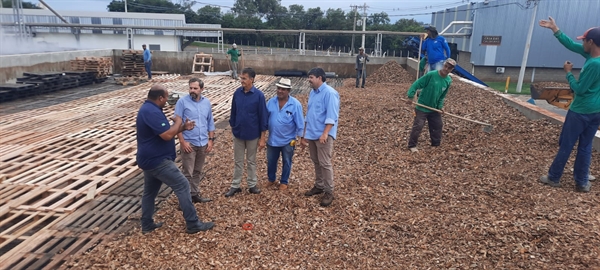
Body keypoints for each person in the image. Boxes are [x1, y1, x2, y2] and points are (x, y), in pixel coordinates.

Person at [136, 84, 214, 234]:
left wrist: (183, 127)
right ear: (160, 98)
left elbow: (165, 131)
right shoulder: (151, 111)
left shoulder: (150, 109)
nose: (167, 100)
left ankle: (147, 224)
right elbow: (167, 135)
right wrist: (179, 121)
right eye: (165, 97)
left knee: (150, 192)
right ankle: (192, 223)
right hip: (157, 161)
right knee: (183, 185)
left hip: (149, 159)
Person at [538, 17, 600, 193]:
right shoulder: (594, 55)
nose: (581, 45)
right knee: (586, 146)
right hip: (596, 111)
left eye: (584, 41)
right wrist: (555, 30)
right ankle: (581, 181)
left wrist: (568, 74)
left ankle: (554, 177)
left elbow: (579, 89)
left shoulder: (594, 64)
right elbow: (572, 45)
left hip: (581, 111)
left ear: (591, 42)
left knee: (567, 144)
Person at [300, 67, 340, 207]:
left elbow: (332, 115)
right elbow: (309, 114)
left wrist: (325, 133)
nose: (309, 80)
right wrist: (304, 134)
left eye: (311, 77)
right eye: (309, 77)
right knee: (316, 161)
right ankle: (319, 185)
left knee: (325, 163)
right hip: (312, 133)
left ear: (320, 78)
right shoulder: (312, 93)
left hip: (323, 135)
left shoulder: (330, 93)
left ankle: (329, 191)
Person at [226, 67, 268, 197]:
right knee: (238, 161)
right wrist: (233, 126)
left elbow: (263, 117)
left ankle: (252, 184)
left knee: (251, 161)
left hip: (252, 134)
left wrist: (262, 138)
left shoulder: (259, 96)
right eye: (241, 78)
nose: (241, 81)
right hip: (238, 133)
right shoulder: (237, 93)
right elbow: (233, 111)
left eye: (244, 78)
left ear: (252, 79)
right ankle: (235, 185)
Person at [174, 78, 216, 203]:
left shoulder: (206, 102)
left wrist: (210, 140)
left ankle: (194, 194)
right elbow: (177, 123)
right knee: (187, 173)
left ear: (202, 89)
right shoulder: (182, 102)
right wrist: (182, 141)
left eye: (195, 88)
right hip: (189, 143)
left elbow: (210, 122)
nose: (192, 90)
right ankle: (184, 200)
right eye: (190, 88)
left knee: (197, 171)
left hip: (202, 142)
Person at [406, 58, 456, 152]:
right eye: (446, 66)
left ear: (451, 70)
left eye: (449, 68)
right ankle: (412, 145)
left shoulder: (448, 81)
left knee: (438, 125)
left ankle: (435, 145)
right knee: (418, 125)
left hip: (434, 108)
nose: (446, 69)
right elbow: (417, 84)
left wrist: (440, 107)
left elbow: (442, 96)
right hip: (422, 106)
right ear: (443, 65)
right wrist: (410, 96)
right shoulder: (431, 75)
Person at [265, 78, 304, 191]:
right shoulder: (271, 102)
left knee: (287, 161)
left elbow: (300, 123)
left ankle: (284, 181)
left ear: (288, 91)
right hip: (272, 139)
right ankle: (271, 179)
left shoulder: (295, 104)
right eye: (278, 88)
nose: (280, 91)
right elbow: (265, 119)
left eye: (283, 89)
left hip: (288, 140)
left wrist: (302, 138)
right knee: (271, 161)